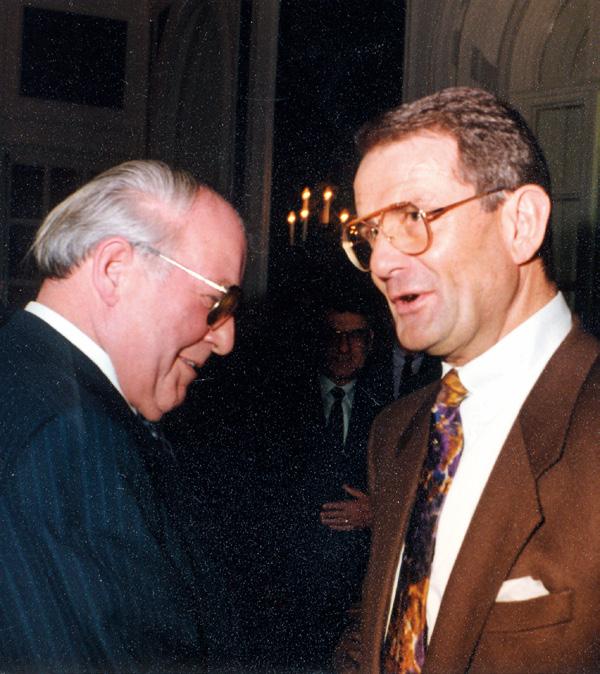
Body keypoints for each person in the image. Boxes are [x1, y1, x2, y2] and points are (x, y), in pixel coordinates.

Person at [336, 86, 600, 673]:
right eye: (370, 234)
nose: (380, 263)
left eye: (413, 217)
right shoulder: (395, 433)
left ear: (521, 224)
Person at [0, 160, 246, 672]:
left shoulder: (24, 374)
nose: (225, 339)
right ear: (115, 271)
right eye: (216, 301)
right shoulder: (72, 437)